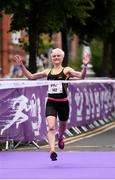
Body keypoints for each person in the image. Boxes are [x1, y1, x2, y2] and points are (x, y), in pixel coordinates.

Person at [14, 48, 90, 161]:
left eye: (58, 56)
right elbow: (31, 77)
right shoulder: (47, 71)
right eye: (54, 56)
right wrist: (21, 66)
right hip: (51, 103)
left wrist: (84, 66)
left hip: (63, 103)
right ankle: (52, 150)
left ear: (62, 58)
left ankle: (60, 137)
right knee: (51, 127)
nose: (56, 58)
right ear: (51, 58)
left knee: (62, 127)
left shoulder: (66, 70)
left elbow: (81, 76)